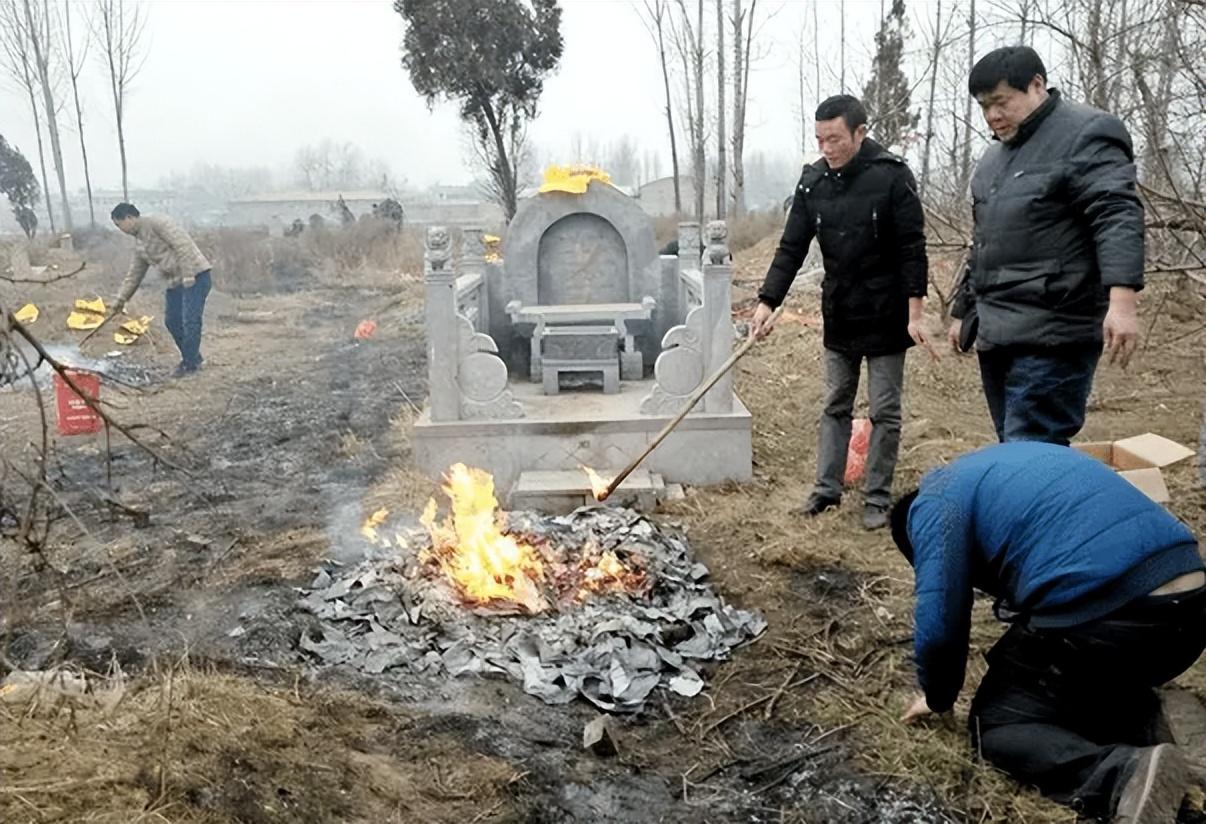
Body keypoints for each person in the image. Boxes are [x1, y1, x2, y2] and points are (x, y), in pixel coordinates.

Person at [890, 442, 1206, 822]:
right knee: (1061, 674)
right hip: (1188, 615)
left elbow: (941, 622)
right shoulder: (1008, 465)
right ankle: (1145, 720)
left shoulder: (934, 501)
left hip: (1115, 619)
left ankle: (1121, 775)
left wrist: (938, 695)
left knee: (997, 726)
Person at [749, 95, 931, 530]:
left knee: (885, 408)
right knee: (835, 403)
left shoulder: (891, 176)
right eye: (819, 139)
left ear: (859, 132)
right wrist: (767, 302)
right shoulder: (813, 181)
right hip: (841, 310)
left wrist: (916, 310)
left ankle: (876, 497)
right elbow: (791, 247)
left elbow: (912, 247)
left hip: (887, 312)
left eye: (834, 139)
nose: (826, 148)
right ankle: (826, 489)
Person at [949, 46, 1144, 444]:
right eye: (984, 107)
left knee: (1034, 453)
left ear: (1037, 85)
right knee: (1014, 449)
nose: (992, 116)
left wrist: (1122, 302)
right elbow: (984, 243)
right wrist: (963, 310)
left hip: (1055, 331)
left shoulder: (1086, 134)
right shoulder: (993, 160)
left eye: (1001, 102)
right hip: (997, 331)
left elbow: (1116, 213)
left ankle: (1048, 508)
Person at [110, 203, 213, 377]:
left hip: (195, 276)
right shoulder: (140, 244)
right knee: (172, 321)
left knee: (190, 320)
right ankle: (194, 359)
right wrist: (120, 300)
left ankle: (189, 365)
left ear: (129, 218)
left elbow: (183, 245)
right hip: (175, 282)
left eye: (119, 225)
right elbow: (135, 274)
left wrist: (188, 274)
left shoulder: (157, 222)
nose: (120, 229)